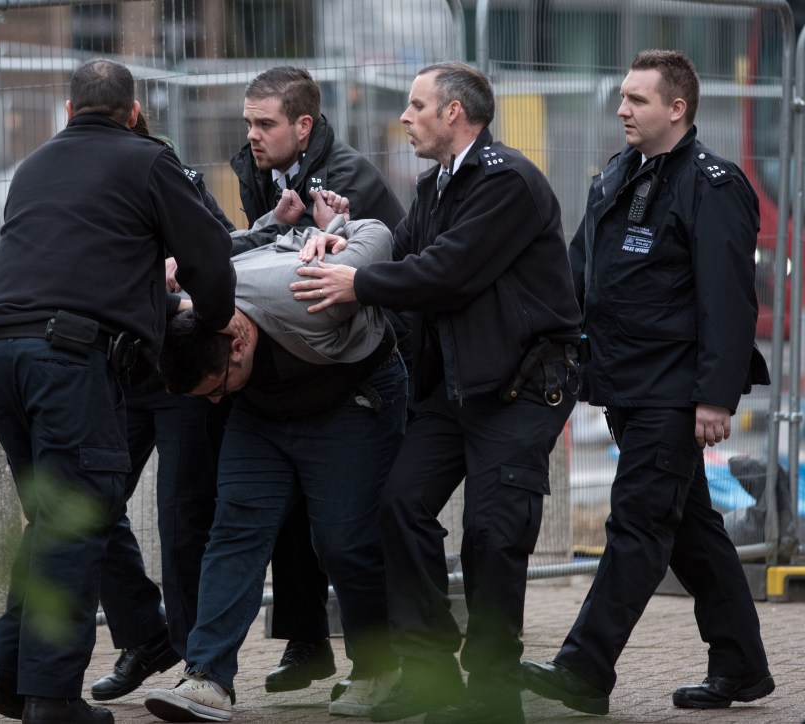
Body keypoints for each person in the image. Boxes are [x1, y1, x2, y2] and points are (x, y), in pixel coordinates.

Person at [290, 60, 582, 724]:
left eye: (416, 105)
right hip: (453, 392)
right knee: (400, 505)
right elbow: (403, 255)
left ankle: (490, 692)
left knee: (492, 533)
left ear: (455, 113)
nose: (404, 117)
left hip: (521, 388)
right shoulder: (437, 184)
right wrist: (345, 238)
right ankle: (429, 675)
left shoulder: (508, 182)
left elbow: (447, 272)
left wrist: (355, 285)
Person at [0, 58, 237, 724]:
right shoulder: (147, 161)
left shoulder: (32, 167)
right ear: (135, 112)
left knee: (61, 514)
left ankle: (7, 670)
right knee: (76, 525)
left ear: (67, 111)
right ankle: (52, 697)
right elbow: (209, 260)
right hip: (68, 362)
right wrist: (212, 320)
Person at [519, 49, 773, 716]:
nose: (623, 109)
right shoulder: (618, 176)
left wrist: (716, 396)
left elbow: (728, 297)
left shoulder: (712, 184)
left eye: (637, 99)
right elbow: (581, 271)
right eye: (623, 98)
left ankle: (584, 667)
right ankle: (742, 666)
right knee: (688, 530)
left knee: (636, 524)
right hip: (625, 385)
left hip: (674, 391)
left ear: (677, 108)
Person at [143, 214, 408, 722]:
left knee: (344, 541)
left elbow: (379, 233)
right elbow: (244, 244)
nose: (216, 403)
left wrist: (343, 236)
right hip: (264, 415)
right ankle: (207, 678)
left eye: (218, 388)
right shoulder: (192, 311)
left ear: (237, 342)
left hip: (351, 400)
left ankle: (379, 668)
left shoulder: (300, 293)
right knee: (235, 529)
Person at [230, 64, 407, 696]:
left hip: (362, 364)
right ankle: (308, 645)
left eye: (264, 123)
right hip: (292, 366)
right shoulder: (259, 170)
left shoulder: (349, 178)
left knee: (345, 531)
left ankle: (380, 660)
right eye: (247, 121)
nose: (251, 135)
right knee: (286, 517)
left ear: (303, 127)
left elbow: (350, 270)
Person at [90, 115, 236, 704]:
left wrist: (181, 288)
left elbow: (224, 251)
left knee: (182, 527)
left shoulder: (173, 174)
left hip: (177, 369)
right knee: (89, 507)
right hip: (122, 372)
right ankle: (146, 637)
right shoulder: (86, 185)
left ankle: (198, 668)